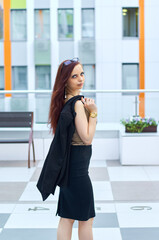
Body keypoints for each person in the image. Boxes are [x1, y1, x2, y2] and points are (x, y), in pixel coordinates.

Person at [48, 57, 98, 240]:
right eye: (74, 76)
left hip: (70, 166)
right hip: (77, 169)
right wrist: (93, 112)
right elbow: (87, 138)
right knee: (86, 218)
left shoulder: (65, 101)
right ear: (65, 80)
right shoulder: (77, 103)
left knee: (67, 217)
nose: (80, 79)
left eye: (82, 74)